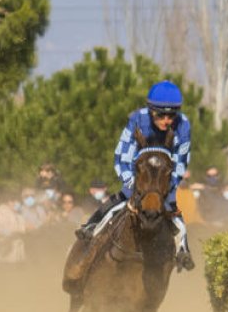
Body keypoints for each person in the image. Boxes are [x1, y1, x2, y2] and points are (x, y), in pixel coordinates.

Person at [74, 81, 194, 271]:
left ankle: (183, 251)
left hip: (163, 181)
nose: (166, 120)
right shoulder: (138, 120)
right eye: (160, 114)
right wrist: (133, 182)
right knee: (119, 199)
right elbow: (122, 156)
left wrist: (166, 187)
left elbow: (181, 162)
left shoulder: (184, 125)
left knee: (173, 208)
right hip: (137, 176)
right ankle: (91, 229)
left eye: (171, 115)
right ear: (150, 110)